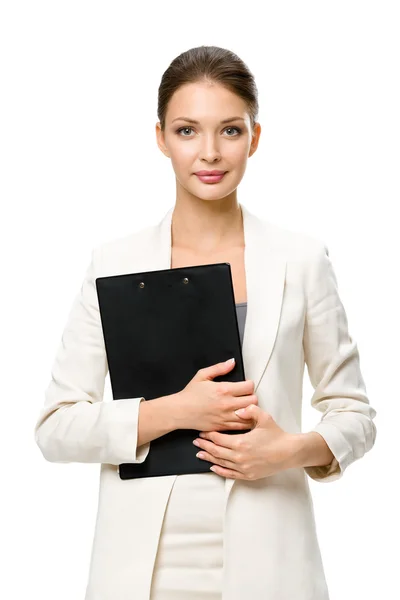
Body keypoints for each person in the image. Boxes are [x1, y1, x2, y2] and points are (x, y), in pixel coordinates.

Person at [33, 45, 377, 600]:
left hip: (270, 553)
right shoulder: (115, 263)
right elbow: (55, 428)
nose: (210, 153)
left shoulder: (301, 260)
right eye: (188, 130)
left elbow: (354, 413)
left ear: (255, 138)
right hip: (143, 565)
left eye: (231, 131)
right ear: (161, 138)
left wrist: (288, 450)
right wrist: (173, 411)